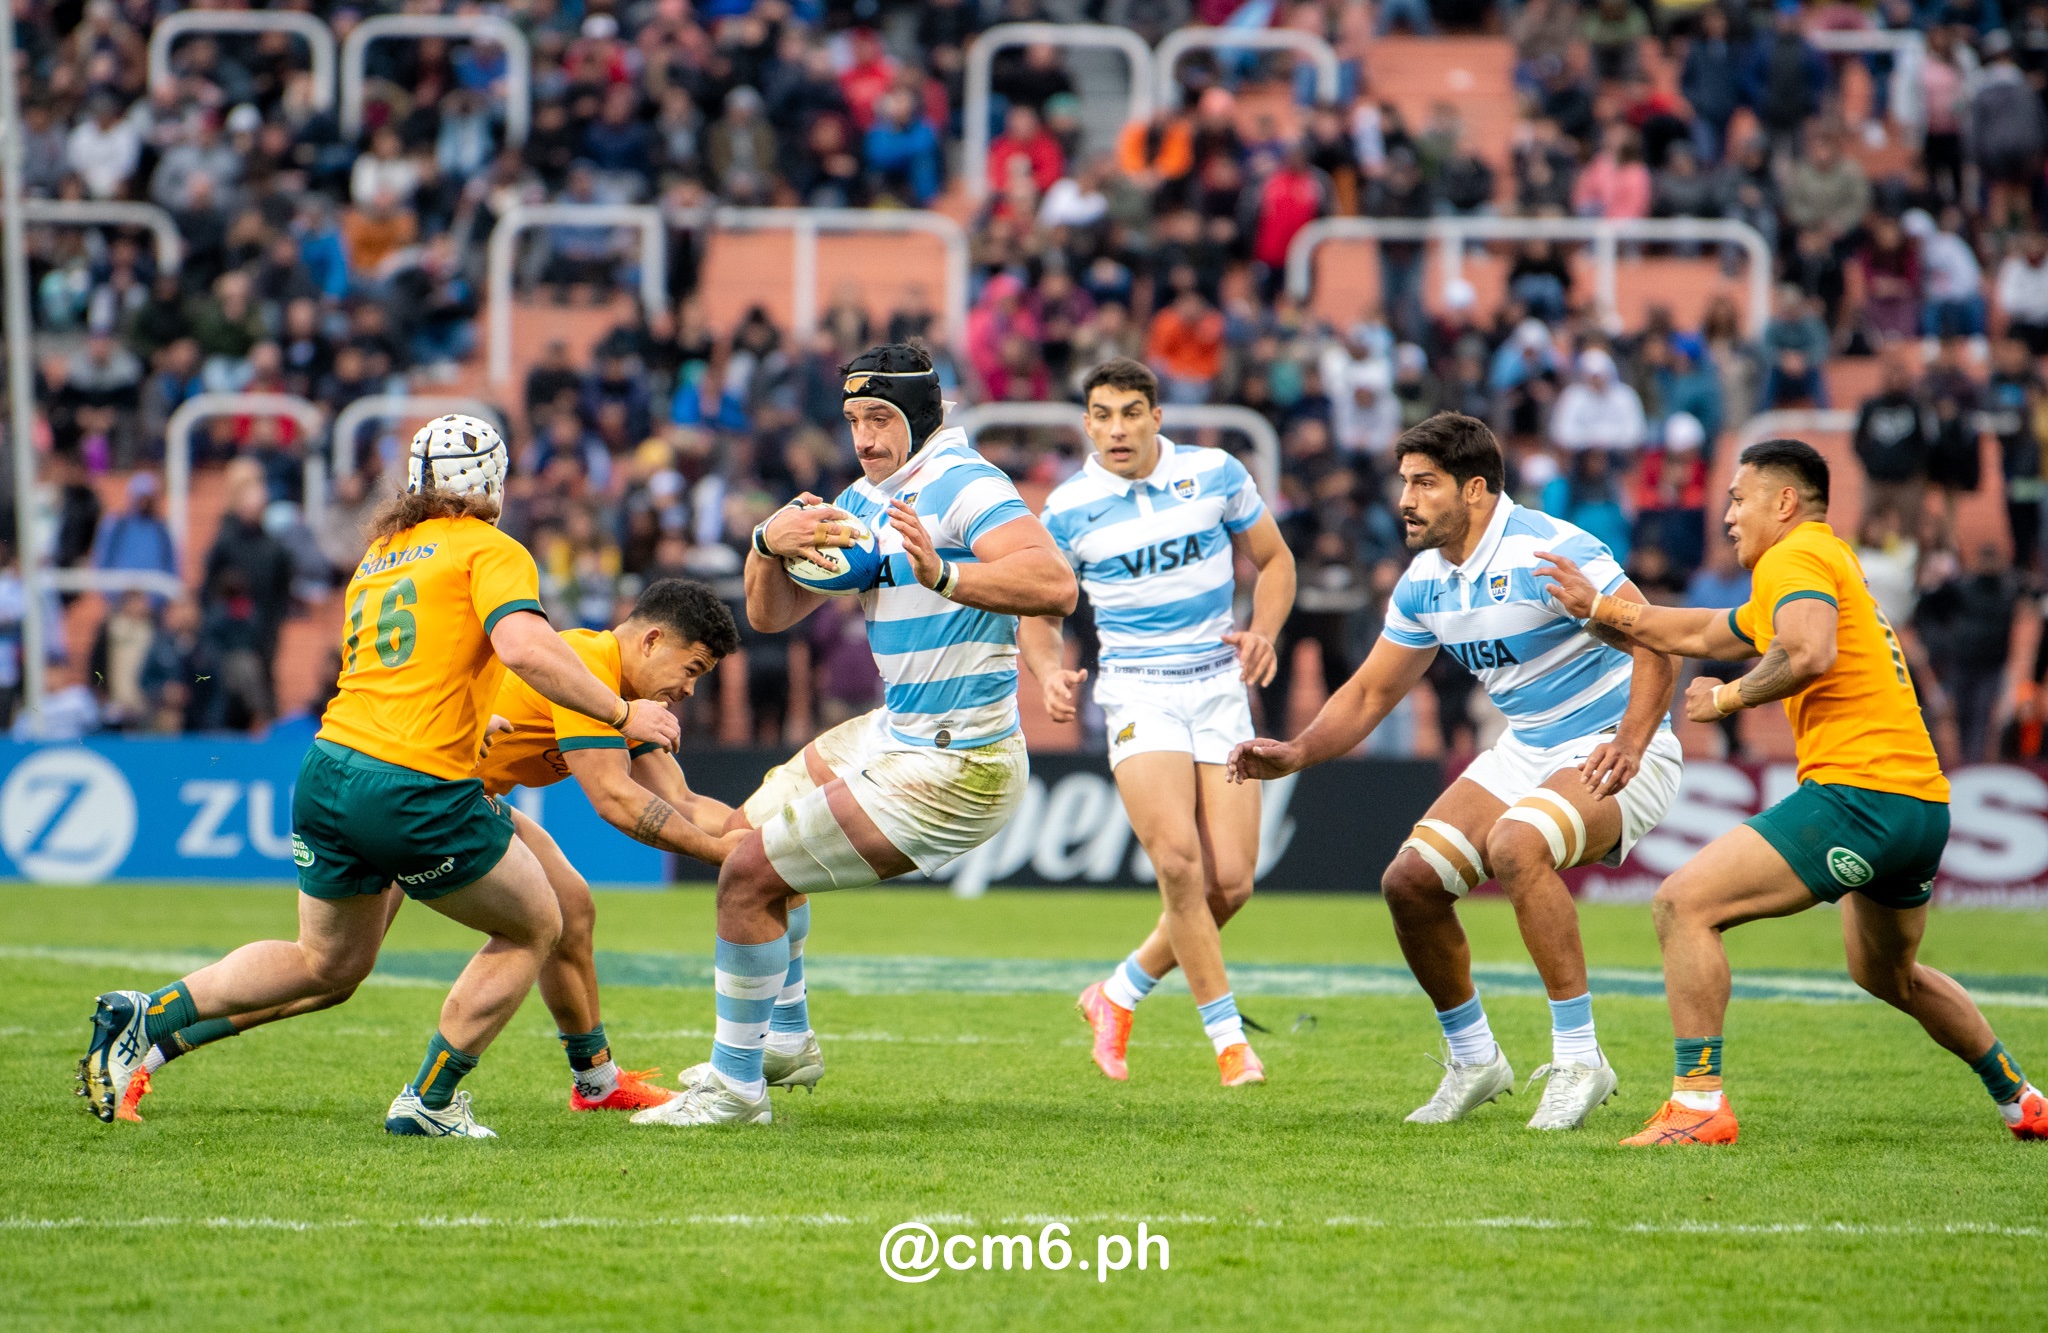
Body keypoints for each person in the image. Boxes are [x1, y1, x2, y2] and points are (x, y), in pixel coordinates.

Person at [77, 416, 683, 1138]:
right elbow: (523, 646)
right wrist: (622, 712)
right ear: (493, 480)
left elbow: (406, 664)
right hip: (414, 785)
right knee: (536, 924)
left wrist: (470, 715)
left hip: (330, 768)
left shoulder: (382, 554)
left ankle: (149, 1015)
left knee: (327, 962)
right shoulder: (492, 547)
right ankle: (431, 1098)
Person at [1538, 438, 2046, 1145]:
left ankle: (1698, 1102)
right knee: (1886, 973)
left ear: (1784, 502)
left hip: (1860, 793)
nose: (1727, 516)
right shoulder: (1818, 560)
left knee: (1682, 904)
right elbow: (1709, 630)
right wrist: (1607, 610)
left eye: (1738, 498)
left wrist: (1732, 699)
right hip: (1919, 803)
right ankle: (2020, 1096)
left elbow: (1809, 652)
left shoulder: (1796, 554)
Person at [631, 344, 1077, 1128]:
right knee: (751, 834)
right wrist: (766, 544)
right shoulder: (866, 497)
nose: (865, 437)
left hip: (957, 761)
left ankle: (736, 1089)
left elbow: (1054, 583)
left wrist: (944, 574)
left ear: (921, 415)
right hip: (895, 732)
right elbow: (769, 616)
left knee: (744, 873)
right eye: (854, 419)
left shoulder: (965, 486)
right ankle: (788, 1038)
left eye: (881, 418)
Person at [114, 580, 745, 1123]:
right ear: (652, 641)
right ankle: (158, 1044)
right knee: (346, 968)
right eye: (692, 671)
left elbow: (687, 805)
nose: (690, 692)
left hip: (453, 799)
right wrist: (729, 860)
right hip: (424, 800)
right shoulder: (585, 666)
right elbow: (616, 802)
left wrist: (764, 837)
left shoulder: (629, 703)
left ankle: (597, 1083)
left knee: (564, 909)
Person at [1227, 413, 1683, 1132]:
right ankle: (1476, 1060)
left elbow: (1660, 642)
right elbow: (1373, 691)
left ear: (1474, 490)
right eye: (1403, 482)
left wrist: (1631, 739)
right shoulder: (1426, 583)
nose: (1404, 499)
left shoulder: (1549, 549)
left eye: (1423, 483)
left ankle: (1580, 1058)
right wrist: (1298, 749)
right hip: (1528, 746)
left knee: (1516, 845)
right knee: (1409, 883)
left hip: (1622, 742)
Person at [1021, 358, 1297, 1088]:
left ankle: (1117, 992)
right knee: (1178, 861)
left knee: (1232, 882)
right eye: (1103, 413)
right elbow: (1041, 614)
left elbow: (1274, 561)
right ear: (1086, 423)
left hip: (1217, 688)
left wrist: (1263, 627)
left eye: (1131, 412)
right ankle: (1230, 1042)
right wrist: (1048, 671)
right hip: (1138, 693)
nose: (1118, 427)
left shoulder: (1216, 473)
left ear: (1156, 417)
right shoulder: (1067, 509)